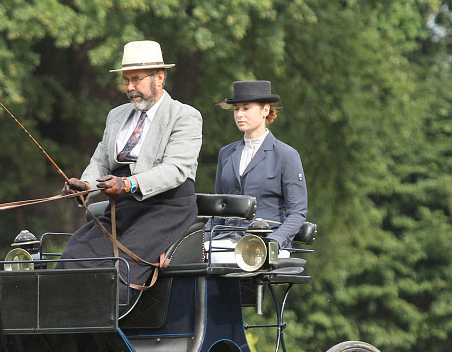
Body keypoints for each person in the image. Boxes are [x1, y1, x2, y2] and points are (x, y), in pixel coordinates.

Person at [60, 40, 202, 289]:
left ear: (159, 77)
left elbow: (175, 170)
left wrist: (128, 184)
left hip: (166, 209)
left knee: (119, 270)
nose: (130, 88)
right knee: (73, 257)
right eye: (126, 81)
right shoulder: (116, 116)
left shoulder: (185, 116)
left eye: (136, 80)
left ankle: (108, 327)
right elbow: (100, 161)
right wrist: (84, 185)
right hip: (122, 209)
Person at [208, 80, 307, 262]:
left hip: (266, 241)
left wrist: (274, 242)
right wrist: (200, 240)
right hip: (225, 239)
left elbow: (298, 212)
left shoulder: (286, 155)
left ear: (265, 110)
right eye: (236, 109)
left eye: (246, 108)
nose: (239, 114)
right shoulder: (226, 154)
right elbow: (218, 208)